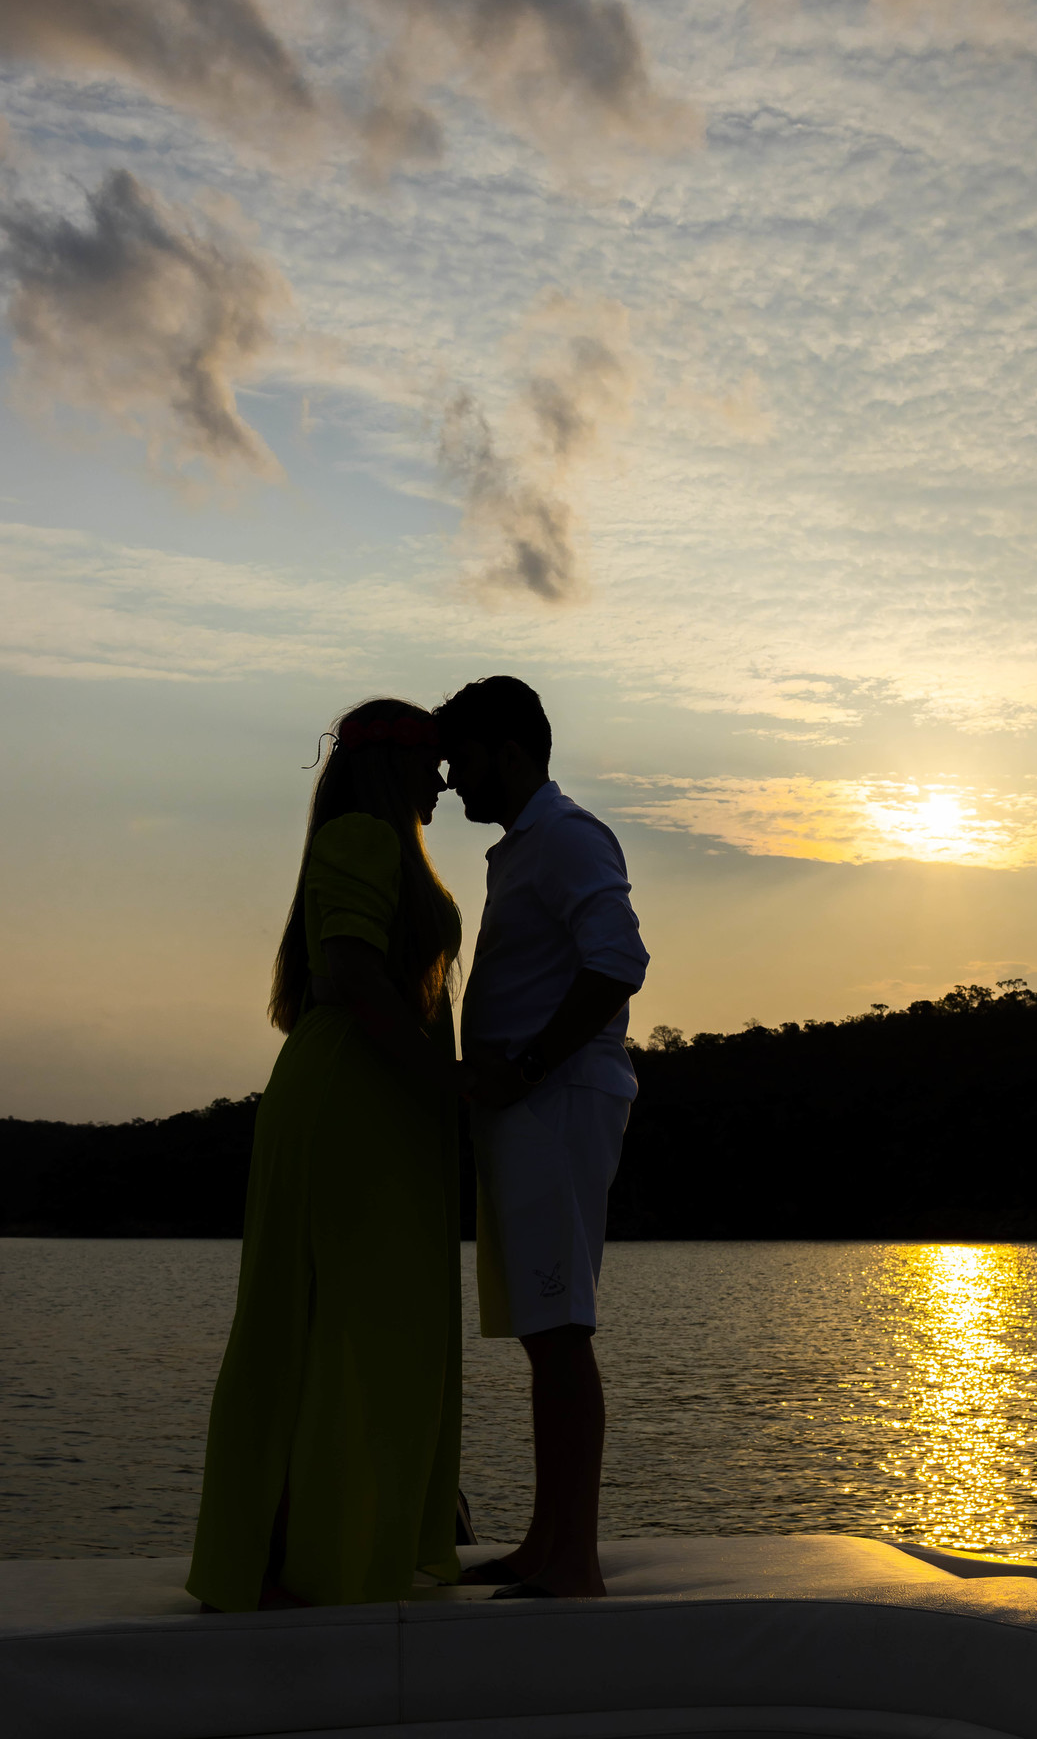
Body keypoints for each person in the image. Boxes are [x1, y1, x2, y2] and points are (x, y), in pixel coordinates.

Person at [186, 699, 463, 1612]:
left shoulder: (371, 842)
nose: (443, 781)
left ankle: (305, 1553)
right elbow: (347, 974)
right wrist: (446, 1084)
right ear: (396, 768)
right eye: (431, 764)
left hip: (372, 1109)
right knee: (338, 1327)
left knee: (346, 1326)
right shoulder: (361, 836)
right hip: (354, 1106)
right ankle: (299, 1563)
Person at [436, 676, 649, 1600]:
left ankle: (576, 1559)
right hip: (529, 1113)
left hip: (556, 1107)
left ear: (510, 753)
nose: (449, 780)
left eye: (463, 759)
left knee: (561, 1331)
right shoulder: (521, 848)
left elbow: (619, 962)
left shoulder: (565, 837)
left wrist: (524, 1069)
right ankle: (545, 1541)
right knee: (543, 1331)